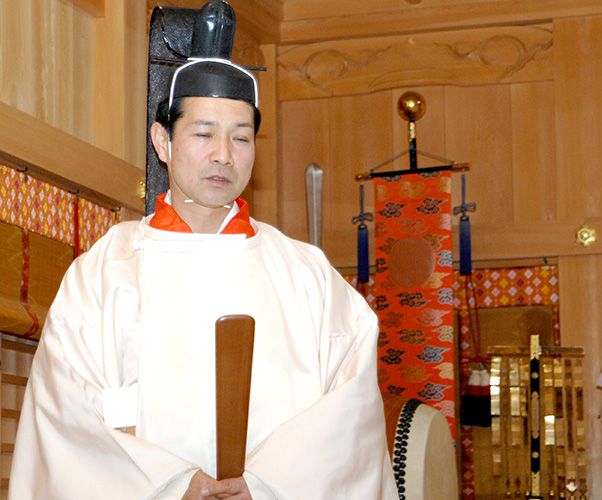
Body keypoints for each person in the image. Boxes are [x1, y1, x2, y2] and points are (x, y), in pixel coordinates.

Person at [9, 55, 398, 499]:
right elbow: (65, 413)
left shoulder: (306, 275)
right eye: (203, 133)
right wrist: (172, 484)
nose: (223, 155)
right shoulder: (105, 272)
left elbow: (351, 410)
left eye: (241, 138)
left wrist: (266, 485)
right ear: (162, 140)